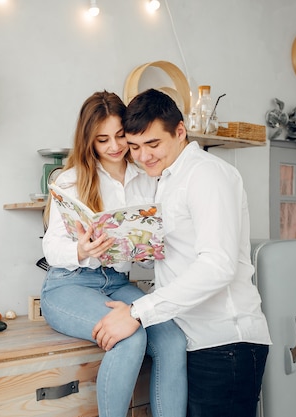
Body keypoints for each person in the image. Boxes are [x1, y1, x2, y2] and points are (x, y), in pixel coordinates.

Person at [92, 88, 272, 417]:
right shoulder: (166, 180)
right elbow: (177, 255)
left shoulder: (206, 174)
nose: (143, 156)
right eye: (134, 147)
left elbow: (218, 266)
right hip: (195, 340)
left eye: (153, 144)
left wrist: (136, 312)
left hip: (225, 344)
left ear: (180, 131)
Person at [41, 90, 187, 417]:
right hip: (69, 285)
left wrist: (145, 247)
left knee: (173, 341)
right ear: (89, 141)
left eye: (120, 136)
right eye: (102, 139)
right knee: (130, 337)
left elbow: (150, 253)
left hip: (118, 282)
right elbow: (51, 248)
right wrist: (81, 249)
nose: (114, 147)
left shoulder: (146, 177)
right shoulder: (72, 179)